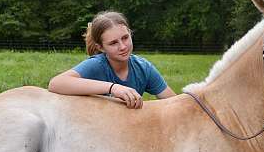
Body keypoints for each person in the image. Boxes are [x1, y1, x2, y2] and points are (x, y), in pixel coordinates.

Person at [48, 11, 176, 108]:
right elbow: (55, 84)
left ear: (130, 34)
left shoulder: (144, 68)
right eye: (113, 43)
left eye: (125, 38)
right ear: (101, 47)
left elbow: (174, 102)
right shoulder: (97, 65)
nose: (123, 46)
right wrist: (113, 88)